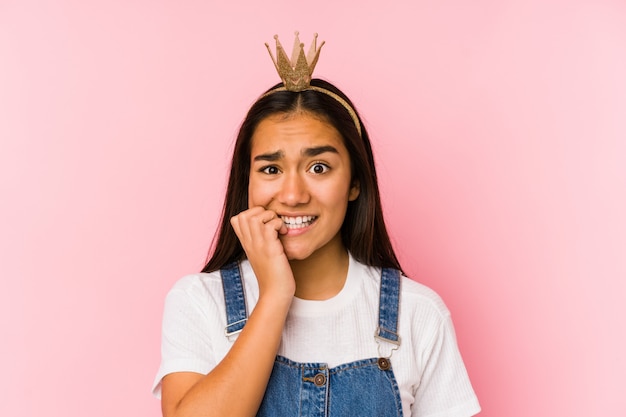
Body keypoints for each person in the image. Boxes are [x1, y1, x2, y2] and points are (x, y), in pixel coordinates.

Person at [152, 33, 481, 417]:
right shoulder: (199, 302)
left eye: (319, 167)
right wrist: (275, 293)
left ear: (355, 182)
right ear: (247, 182)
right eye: (271, 169)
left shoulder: (419, 314)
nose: (292, 195)